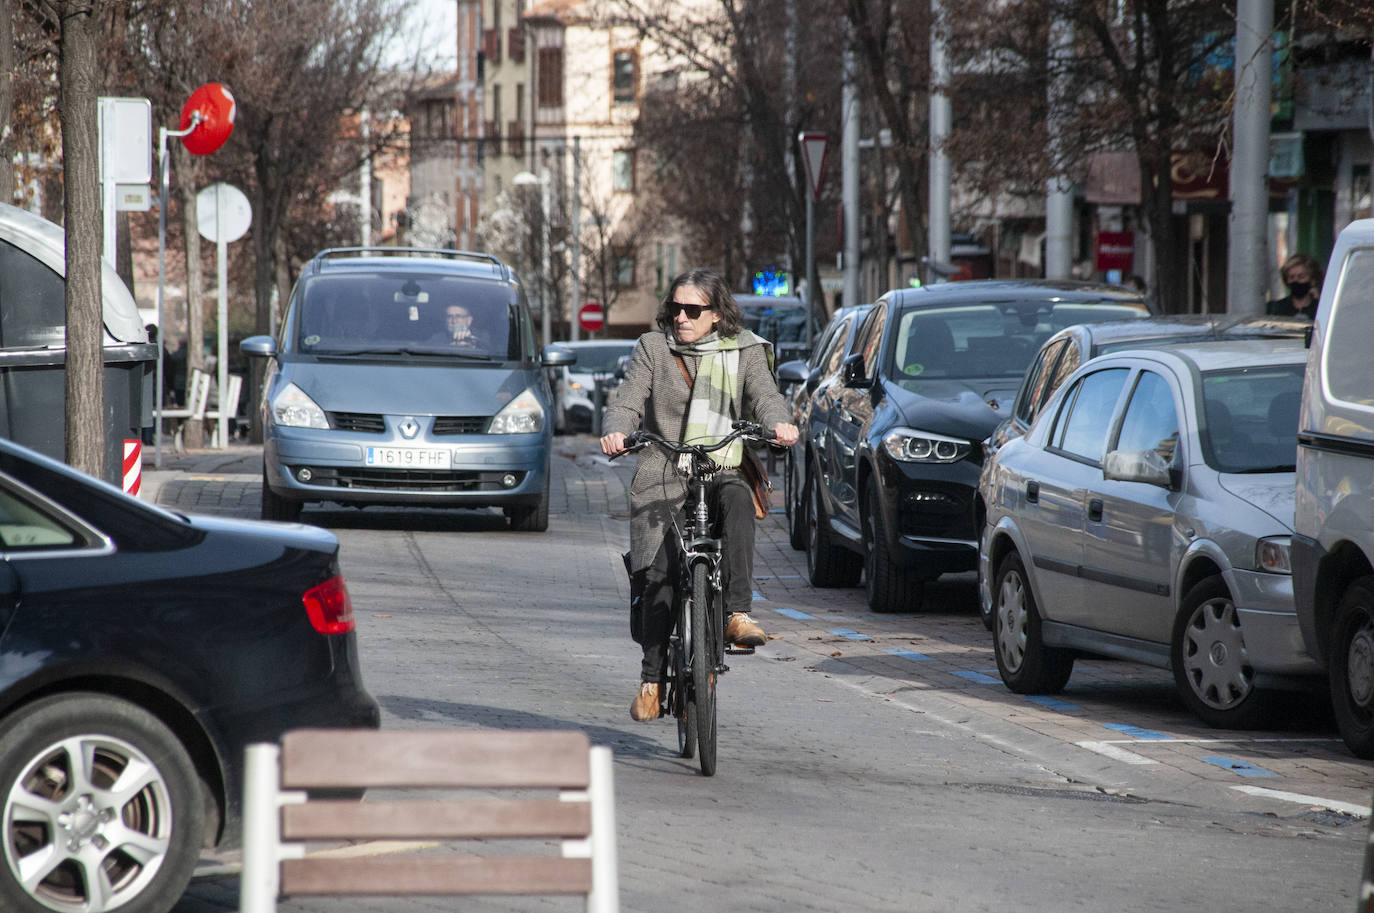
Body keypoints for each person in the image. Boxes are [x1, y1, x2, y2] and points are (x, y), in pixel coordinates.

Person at [599, 268, 799, 722]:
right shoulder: (654, 347)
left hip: (720, 461)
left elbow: (766, 396)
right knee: (660, 572)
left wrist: (779, 424)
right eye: (676, 308)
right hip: (665, 467)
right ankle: (652, 681)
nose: (682, 318)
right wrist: (617, 430)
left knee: (738, 502)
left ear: (716, 314)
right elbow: (629, 398)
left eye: (693, 310)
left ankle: (737, 614)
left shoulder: (744, 350)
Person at [1266, 253, 1322, 319]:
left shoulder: (1321, 309)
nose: (1296, 280)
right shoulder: (1274, 309)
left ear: (1312, 279)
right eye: (1291, 277)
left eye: (1301, 277)